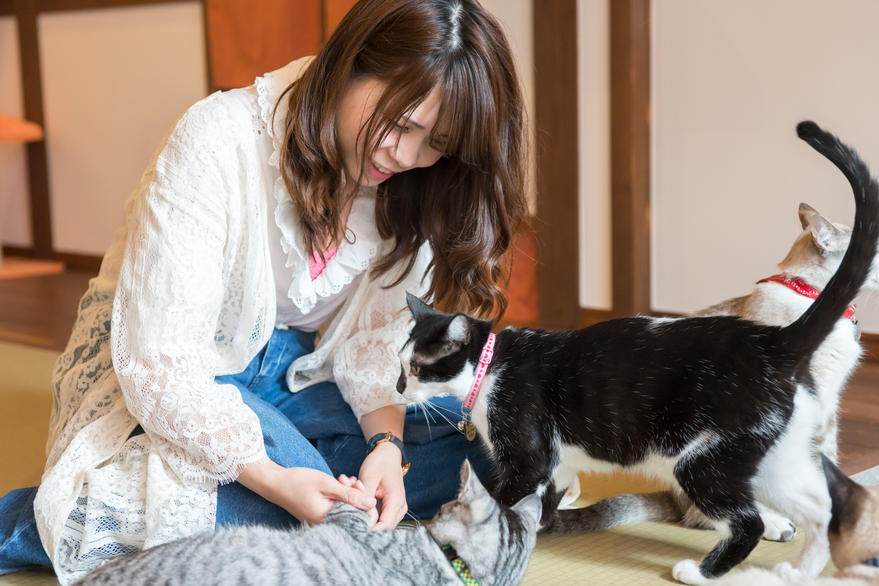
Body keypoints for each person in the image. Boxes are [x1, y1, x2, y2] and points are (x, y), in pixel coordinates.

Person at [0, 0, 529, 583]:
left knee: (489, 448)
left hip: (294, 374)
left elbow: (372, 347)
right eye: (399, 123)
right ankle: (44, 517)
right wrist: (276, 477)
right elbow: (158, 362)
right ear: (353, 62)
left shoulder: (414, 185)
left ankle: (271, 492)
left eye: (435, 142)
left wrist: (385, 449)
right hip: (175, 373)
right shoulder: (219, 137)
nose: (404, 156)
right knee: (304, 509)